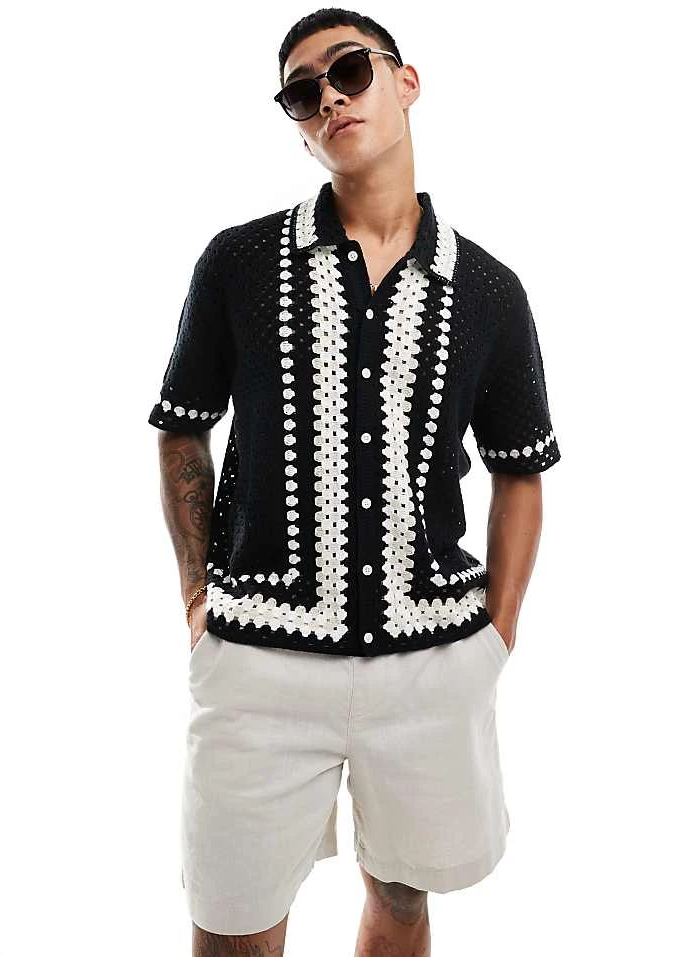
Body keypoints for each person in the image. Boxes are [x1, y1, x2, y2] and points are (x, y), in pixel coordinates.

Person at [147, 8, 561, 955]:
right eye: (303, 91)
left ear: (406, 82)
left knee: (405, 897)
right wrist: (196, 594)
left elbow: (521, 471)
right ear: (298, 126)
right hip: (257, 661)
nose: (330, 97)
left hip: (430, 661)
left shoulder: (489, 290)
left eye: (349, 70)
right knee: (232, 925)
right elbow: (181, 426)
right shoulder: (239, 263)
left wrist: (496, 634)